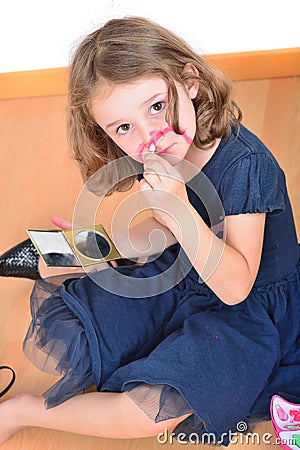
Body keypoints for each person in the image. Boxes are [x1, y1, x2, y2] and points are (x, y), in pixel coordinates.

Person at [0, 16, 299, 446]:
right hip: (189, 275)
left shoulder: (245, 167)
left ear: (190, 81)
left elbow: (235, 287)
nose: (149, 138)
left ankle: (21, 410)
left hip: (248, 307)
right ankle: (65, 257)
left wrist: (179, 209)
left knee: (144, 414)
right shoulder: (164, 145)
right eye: (124, 128)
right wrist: (94, 248)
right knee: (84, 306)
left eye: (157, 106)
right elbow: (161, 230)